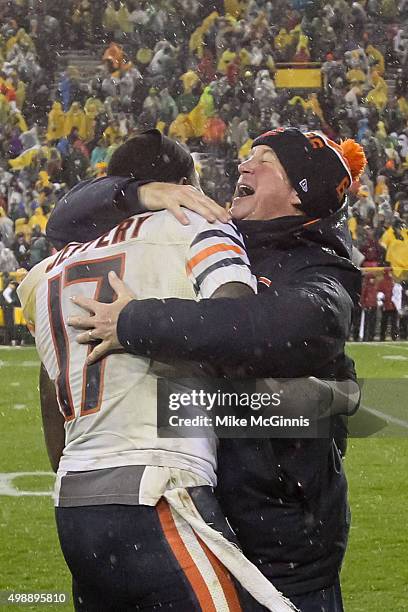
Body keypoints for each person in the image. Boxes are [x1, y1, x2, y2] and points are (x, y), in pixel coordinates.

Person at [50, 128, 366, 612]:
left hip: (282, 541)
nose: (243, 166)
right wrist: (138, 191)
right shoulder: (209, 234)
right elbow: (63, 226)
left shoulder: (318, 270)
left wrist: (138, 321)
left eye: (264, 160)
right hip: (201, 513)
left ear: (300, 192)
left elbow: (274, 330)